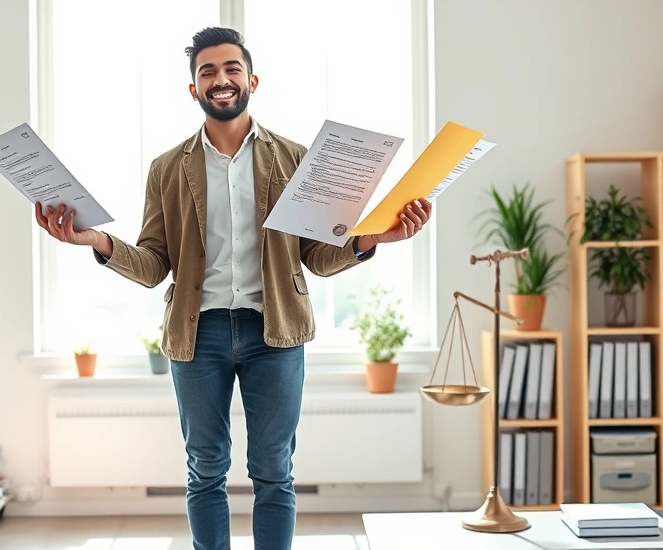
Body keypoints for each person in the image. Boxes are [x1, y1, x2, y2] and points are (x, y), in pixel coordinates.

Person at [35, 27, 432, 550]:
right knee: (205, 467)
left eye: (230, 69)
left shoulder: (296, 159)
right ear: (193, 89)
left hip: (277, 330)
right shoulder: (166, 168)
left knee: (274, 469)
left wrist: (376, 236)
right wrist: (95, 240)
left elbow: (317, 257)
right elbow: (154, 264)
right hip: (199, 334)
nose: (220, 80)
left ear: (251, 80)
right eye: (207, 72)